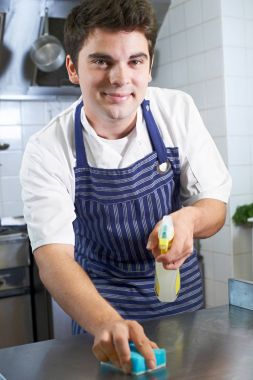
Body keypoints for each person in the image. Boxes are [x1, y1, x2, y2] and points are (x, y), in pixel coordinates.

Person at [20, 0, 232, 374]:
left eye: (135, 61)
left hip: (181, 304)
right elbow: (53, 258)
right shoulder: (48, 148)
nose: (120, 78)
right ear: (73, 68)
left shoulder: (176, 111)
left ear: (149, 66)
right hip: (100, 312)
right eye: (101, 61)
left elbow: (214, 204)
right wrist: (105, 322)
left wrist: (190, 219)